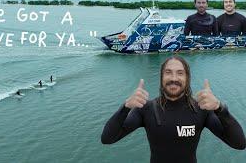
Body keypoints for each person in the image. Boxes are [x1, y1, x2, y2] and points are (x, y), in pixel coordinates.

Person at [101, 56, 245, 163]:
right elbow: (108, 138)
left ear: (187, 78)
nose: (174, 78)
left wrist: (220, 108)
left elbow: (239, 143)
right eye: (168, 72)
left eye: (180, 73)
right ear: (161, 77)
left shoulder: (201, 110)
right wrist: (125, 107)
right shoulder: (146, 109)